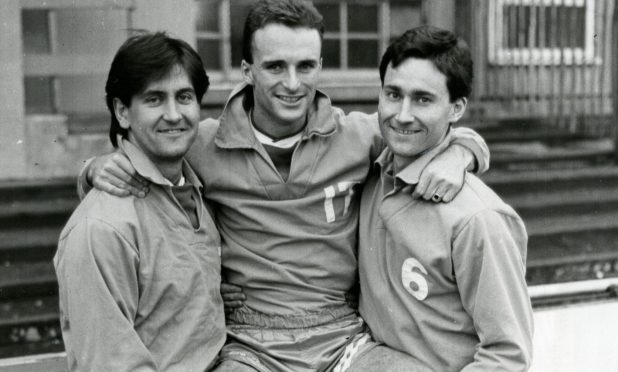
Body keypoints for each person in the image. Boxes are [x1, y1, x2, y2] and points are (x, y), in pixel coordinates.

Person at [78, 1, 490, 371]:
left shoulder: (358, 137)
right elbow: (148, 158)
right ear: (247, 70)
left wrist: (465, 151)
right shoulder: (201, 143)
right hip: (246, 346)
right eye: (275, 66)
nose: (292, 84)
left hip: (345, 335)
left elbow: (425, 134)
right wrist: (94, 167)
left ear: (319, 67)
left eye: (305, 66)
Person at [354, 26, 534, 371]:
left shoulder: (477, 220)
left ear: (456, 108)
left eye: (423, 99)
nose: (402, 114)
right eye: (393, 94)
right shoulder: (369, 168)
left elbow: (507, 356)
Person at [54, 32, 226, 371]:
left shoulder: (194, 183)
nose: (174, 114)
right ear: (122, 112)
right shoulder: (102, 228)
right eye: (155, 99)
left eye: (185, 96)